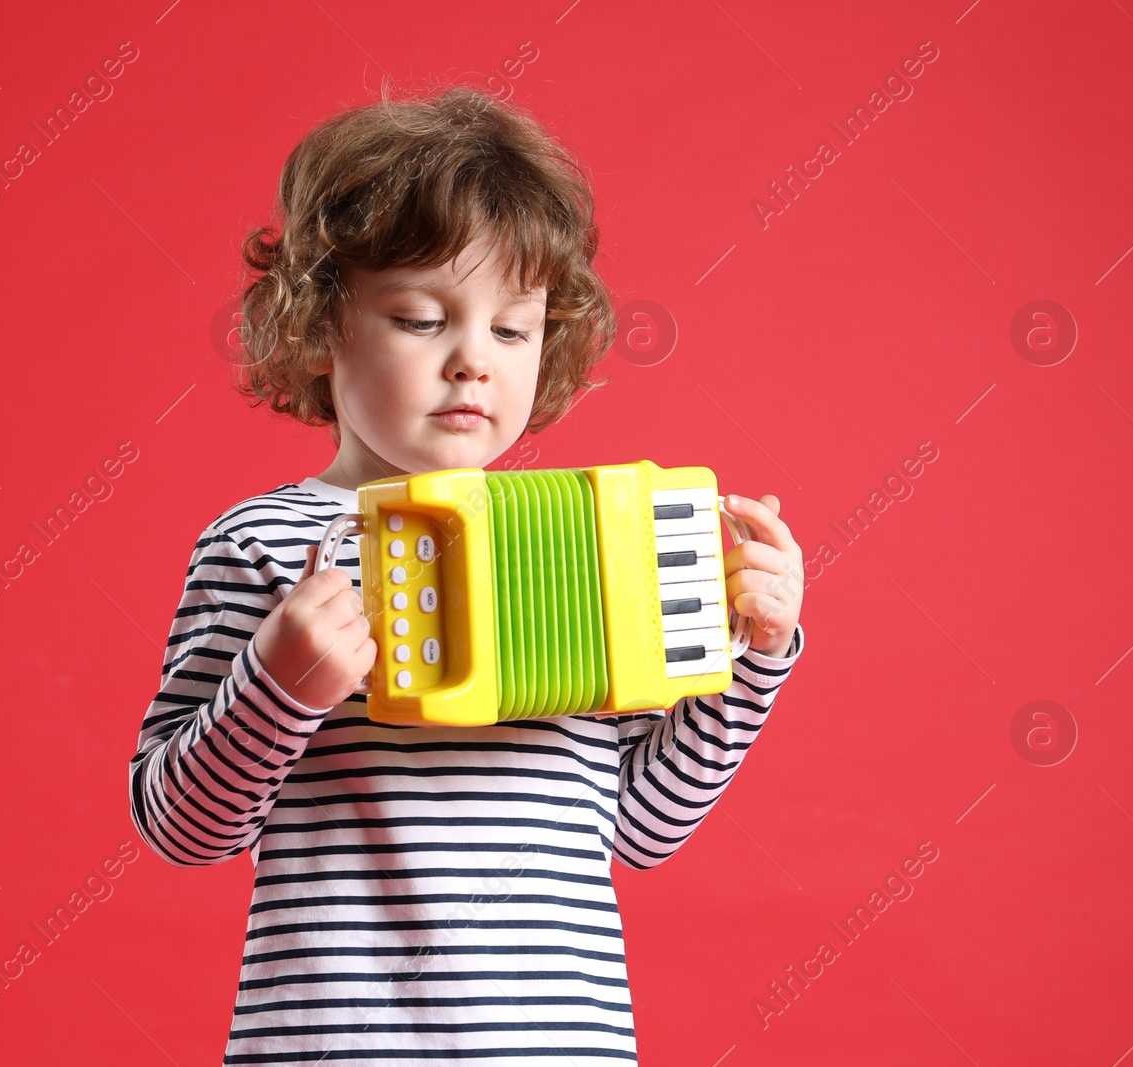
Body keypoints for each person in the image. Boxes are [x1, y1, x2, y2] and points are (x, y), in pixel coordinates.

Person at [128, 81, 806, 1065]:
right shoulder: (263, 543)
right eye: (418, 319)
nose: (470, 363)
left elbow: (643, 826)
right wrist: (277, 684)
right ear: (320, 329)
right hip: (329, 1047)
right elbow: (181, 824)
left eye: (510, 328)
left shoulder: (597, 546)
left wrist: (751, 655)